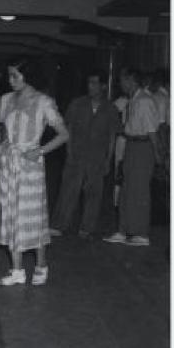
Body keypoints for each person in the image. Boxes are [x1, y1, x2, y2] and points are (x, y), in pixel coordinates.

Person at [0, 59, 69, 286]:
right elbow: (1, 139)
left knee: (32, 217)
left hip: (30, 167)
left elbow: (64, 134)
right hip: (8, 164)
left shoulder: (44, 102)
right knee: (10, 216)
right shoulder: (5, 100)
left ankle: (41, 265)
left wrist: (40, 150)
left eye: (15, 75)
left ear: (28, 76)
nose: (10, 80)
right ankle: (16, 270)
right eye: (9, 75)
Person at [49, 70, 121, 239]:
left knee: (94, 194)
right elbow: (69, 129)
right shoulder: (77, 104)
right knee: (68, 191)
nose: (91, 86)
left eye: (95, 83)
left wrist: (108, 159)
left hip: (97, 157)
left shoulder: (110, 108)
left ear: (103, 86)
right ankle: (59, 225)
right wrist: (69, 152)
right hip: (77, 154)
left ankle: (87, 227)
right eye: (89, 83)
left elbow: (112, 136)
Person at [104, 68, 161, 246]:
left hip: (143, 148)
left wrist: (158, 155)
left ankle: (141, 233)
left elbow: (152, 131)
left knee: (139, 191)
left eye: (123, 80)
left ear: (132, 81)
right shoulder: (134, 100)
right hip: (132, 145)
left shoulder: (144, 101)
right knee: (126, 190)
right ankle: (123, 230)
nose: (121, 84)